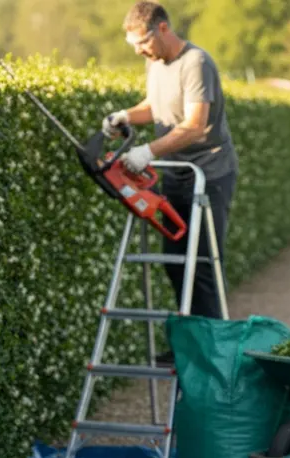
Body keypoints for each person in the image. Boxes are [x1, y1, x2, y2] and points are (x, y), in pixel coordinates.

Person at [104, 1, 238, 361]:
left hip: (208, 174)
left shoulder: (196, 63)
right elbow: (155, 106)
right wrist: (125, 115)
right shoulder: (156, 62)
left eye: (142, 42)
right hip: (176, 174)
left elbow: (195, 126)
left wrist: (147, 151)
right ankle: (190, 348)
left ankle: (214, 354)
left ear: (162, 28)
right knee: (175, 260)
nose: (139, 50)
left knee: (204, 263)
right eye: (134, 45)